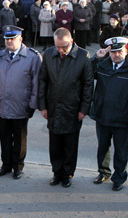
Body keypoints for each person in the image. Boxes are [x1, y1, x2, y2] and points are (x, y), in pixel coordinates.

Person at [0, 26, 42, 179]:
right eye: (7, 39)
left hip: (21, 104)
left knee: (19, 138)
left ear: (21, 39)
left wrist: (33, 104)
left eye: (13, 38)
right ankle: (6, 165)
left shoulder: (32, 57)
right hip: (2, 104)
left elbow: (37, 82)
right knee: (4, 136)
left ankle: (18, 166)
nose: (9, 42)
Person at [38, 28, 94, 188]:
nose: (60, 50)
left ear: (71, 41)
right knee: (54, 144)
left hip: (72, 108)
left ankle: (68, 173)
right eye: (58, 46)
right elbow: (42, 81)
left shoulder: (83, 56)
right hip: (53, 107)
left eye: (64, 47)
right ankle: (56, 172)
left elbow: (88, 85)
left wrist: (84, 108)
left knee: (70, 144)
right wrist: (42, 106)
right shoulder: (49, 54)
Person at [90, 37, 128, 191]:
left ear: (126, 51)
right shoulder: (103, 65)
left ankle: (119, 176)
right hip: (103, 114)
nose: (117, 55)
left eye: (120, 51)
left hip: (122, 116)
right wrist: (96, 58)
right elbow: (88, 72)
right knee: (103, 147)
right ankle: (103, 172)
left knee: (121, 149)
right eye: (113, 52)